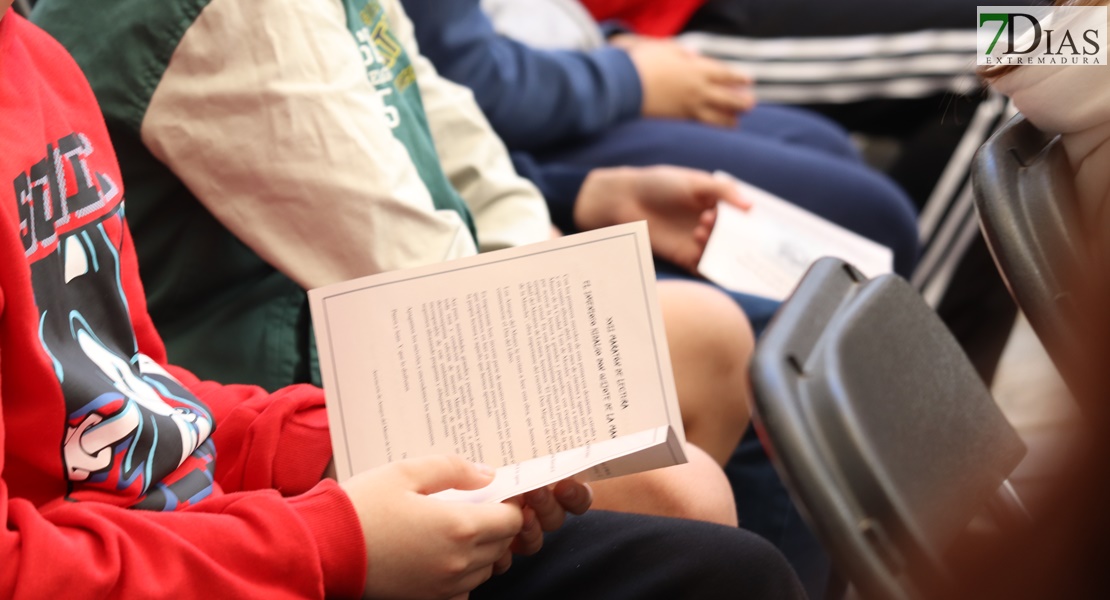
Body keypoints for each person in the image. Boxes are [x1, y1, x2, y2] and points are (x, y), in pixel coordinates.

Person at [0, 5, 809, 598]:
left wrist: (333, 452)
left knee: (720, 371)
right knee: (695, 498)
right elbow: (405, 252)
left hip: (201, 500)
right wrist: (339, 536)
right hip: (270, 392)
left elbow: (142, 388)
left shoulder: (33, 59)